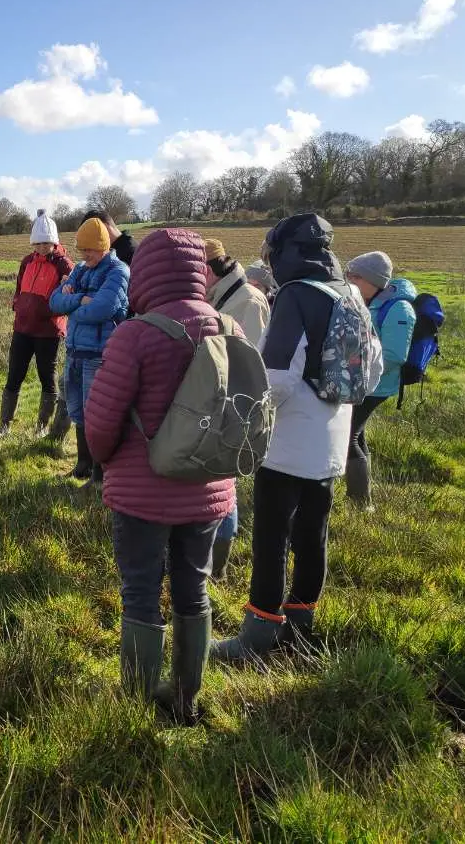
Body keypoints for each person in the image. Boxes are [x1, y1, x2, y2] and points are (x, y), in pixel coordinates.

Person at [84, 227, 239, 724]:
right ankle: (186, 695)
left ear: (146, 273)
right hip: (210, 490)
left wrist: (106, 462)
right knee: (194, 588)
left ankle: (136, 700)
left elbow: (101, 424)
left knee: (141, 592)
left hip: (142, 494)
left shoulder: (136, 333)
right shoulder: (228, 329)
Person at [212, 214, 380, 662]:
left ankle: (258, 634)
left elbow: (276, 378)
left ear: (285, 253)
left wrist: (246, 419)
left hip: (287, 445)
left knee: (271, 537)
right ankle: (301, 624)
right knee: (313, 533)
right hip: (332, 438)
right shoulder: (349, 294)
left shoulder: (295, 296)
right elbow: (373, 369)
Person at [203, 238, 272, 576]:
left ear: (209, 269)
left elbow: (252, 364)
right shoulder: (219, 297)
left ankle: (219, 566)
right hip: (212, 403)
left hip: (235, 407)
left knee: (224, 482)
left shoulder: (249, 301)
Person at [49, 217, 129, 483]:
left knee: (97, 415)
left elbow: (100, 310)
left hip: (100, 354)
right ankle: (82, 465)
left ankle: (100, 474)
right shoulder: (80, 269)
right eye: (82, 250)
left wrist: (73, 302)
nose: (85, 255)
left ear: (104, 246)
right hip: (75, 351)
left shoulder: (118, 271)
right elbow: (55, 302)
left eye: (91, 250)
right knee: (78, 411)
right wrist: (78, 299)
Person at [343, 251, 416, 509]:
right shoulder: (373, 301)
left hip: (377, 384)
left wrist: (360, 368)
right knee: (357, 433)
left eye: (355, 276)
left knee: (348, 434)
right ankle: (361, 497)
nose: (349, 280)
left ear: (373, 279)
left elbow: (395, 355)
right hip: (364, 381)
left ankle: (361, 502)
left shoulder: (399, 307)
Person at [0, 210, 74, 439]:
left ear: (54, 241)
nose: (41, 247)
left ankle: (41, 427)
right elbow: (18, 289)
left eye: (46, 243)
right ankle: (4, 425)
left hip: (48, 332)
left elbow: (69, 297)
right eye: (37, 243)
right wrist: (18, 306)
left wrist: (48, 310)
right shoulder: (27, 261)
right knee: (14, 376)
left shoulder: (64, 265)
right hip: (22, 329)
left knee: (47, 379)